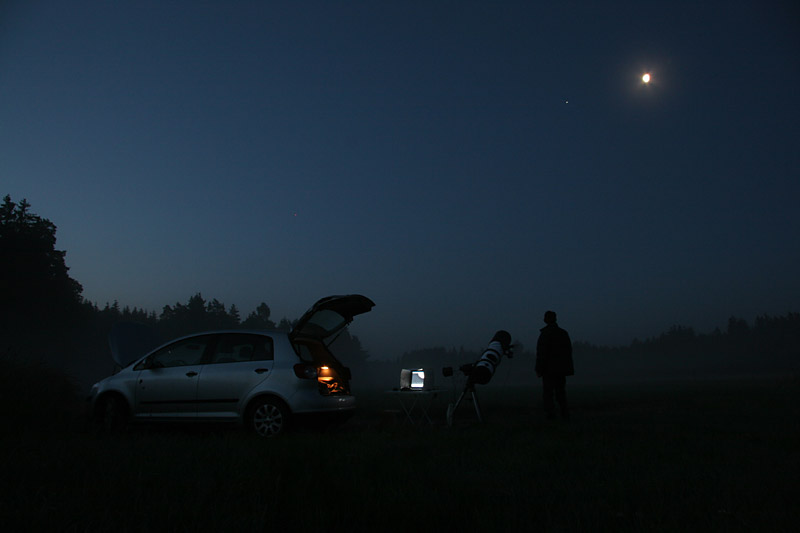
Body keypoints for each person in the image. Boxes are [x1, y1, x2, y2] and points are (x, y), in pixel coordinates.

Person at [535, 311, 574, 420]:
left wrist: (539, 369)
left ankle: (551, 415)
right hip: (560, 369)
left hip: (548, 370)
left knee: (548, 394)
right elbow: (568, 351)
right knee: (561, 393)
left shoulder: (545, 334)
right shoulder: (563, 333)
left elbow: (542, 353)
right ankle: (565, 414)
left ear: (546, 319)